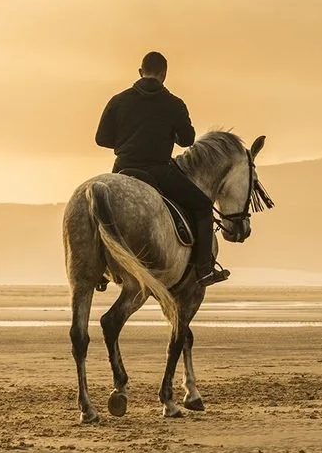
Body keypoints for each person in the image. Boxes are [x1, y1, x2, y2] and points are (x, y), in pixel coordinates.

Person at [94, 51, 230, 286]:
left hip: (122, 169)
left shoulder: (118, 100)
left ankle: (98, 267)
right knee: (203, 207)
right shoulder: (174, 104)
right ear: (164, 74)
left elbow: (101, 138)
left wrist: (127, 141)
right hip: (158, 171)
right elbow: (187, 140)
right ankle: (204, 269)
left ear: (140, 71)